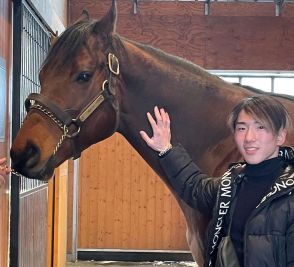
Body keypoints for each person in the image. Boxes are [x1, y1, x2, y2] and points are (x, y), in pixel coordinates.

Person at [140, 95, 294, 267]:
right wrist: (166, 149)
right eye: (241, 128)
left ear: (280, 136)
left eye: (261, 127)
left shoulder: (290, 191)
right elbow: (195, 188)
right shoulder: (231, 183)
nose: (249, 137)